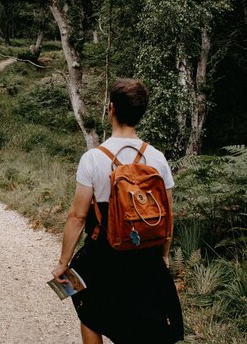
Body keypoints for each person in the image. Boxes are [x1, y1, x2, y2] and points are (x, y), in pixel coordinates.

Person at [52, 79, 183, 344]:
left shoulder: (93, 158)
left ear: (111, 109)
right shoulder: (157, 158)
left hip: (104, 254)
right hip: (145, 254)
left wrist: (63, 263)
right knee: (142, 321)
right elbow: (167, 215)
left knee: (87, 309)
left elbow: (77, 217)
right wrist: (165, 254)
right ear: (141, 112)